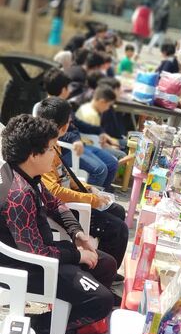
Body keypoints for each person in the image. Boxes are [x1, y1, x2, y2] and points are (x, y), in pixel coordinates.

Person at [0, 114, 116, 334]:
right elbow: (36, 253)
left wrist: (76, 233)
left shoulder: (29, 174)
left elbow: (56, 203)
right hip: (27, 268)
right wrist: (77, 255)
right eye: (51, 148)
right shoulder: (18, 193)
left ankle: (59, 327)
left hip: (40, 254)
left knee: (106, 263)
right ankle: (47, 332)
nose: (55, 155)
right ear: (33, 154)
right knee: (102, 300)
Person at [37, 97, 128, 273]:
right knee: (118, 229)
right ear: (63, 127)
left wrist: (86, 187)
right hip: (63, 208)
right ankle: (100, 270)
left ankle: (106, 267)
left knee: (117, 210)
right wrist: (91, 200)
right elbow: (54, 191)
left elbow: (63, 175)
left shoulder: (52, 144)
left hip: (67, 200)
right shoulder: (43, 148)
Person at [37, 68, 119, 192]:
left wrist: (100, 131)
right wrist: (75, 139)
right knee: (100, 170)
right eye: (68, 87)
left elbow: (78, 124)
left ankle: (104, 194)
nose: (70, 90)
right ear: (64, 89)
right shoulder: (48, 109)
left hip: (79, 144)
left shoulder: (64, 105)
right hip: (66, 150)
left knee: (113, 163)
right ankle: (90, 201)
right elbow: (52, 133)